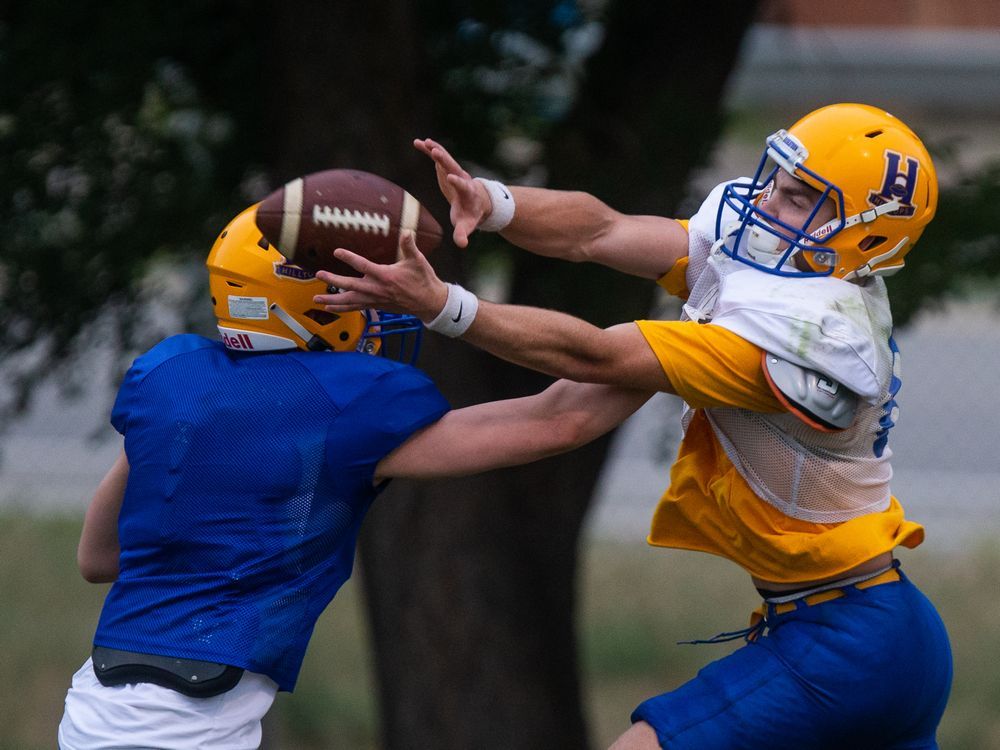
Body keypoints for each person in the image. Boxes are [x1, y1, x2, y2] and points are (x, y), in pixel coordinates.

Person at [313, 103, 954, 749]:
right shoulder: (784, 268)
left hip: (849, 641)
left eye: (798, 199)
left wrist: (443, 305)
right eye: (778, 181)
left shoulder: (797, 337)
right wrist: (494, 202)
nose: (764, 202)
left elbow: (592, 355)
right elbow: (602, 231)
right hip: (867, 623)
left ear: (865, 238)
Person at [58, 205, 651, 750]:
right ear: (303, 304)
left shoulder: (170, 379)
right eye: (353, 293)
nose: (373, 310)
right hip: (179, 730)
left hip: (93, 711)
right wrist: (685, 347)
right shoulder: (343, 403)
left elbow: (97, 557)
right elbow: (560, 419)